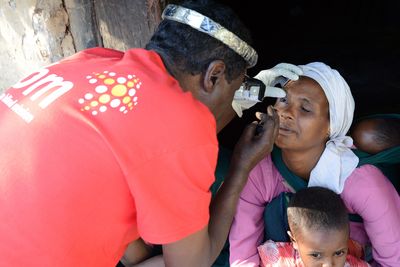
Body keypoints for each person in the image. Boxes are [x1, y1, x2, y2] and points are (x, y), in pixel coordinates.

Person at [0, 1, 305, 266]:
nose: (232, 103)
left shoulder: (91, 62)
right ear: (214, 74)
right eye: (233, 91)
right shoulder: (181, 124)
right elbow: (190, 263)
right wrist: (241, 166)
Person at [229, 62, 400, 267]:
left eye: (305, 108)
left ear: (331, 126)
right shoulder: (260, 171)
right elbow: (243, 258)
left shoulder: (364, 183)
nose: (286, 113)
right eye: (283, 100)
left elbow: (393, 262)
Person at [258, 186, 370, 267]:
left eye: (339, 253)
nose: (328, 265)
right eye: (316, 255)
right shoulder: (278, 262)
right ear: (294, 240)